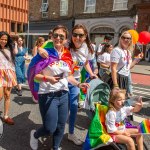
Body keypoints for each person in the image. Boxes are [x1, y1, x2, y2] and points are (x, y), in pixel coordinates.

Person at [29, 25, 89, 150]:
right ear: (51, 37)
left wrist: (78, 84)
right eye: (55, 35)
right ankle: (34, 135)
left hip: (63, 94)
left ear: (66, 39)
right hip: (47, 94)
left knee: (61, 125)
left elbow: (69, 76)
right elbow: (35, 75)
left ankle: (56, 147)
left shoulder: (68, 55)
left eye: (61, 36)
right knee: (49, 127)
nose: (58, 38)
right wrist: (47, 79)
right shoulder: (45, 53)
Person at [68, 24, 97, 145]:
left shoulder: (87, 48)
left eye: (81, 35)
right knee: (62, 110)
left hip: (75, 82)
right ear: (71, 35)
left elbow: (85, 62)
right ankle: (55, 131)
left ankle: (70, 134)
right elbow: (50, 44)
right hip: (62, 82)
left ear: (85, 37)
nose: (77, 37)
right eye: (75, 34)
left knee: (74, 108)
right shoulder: (66, 45)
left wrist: (91, 74)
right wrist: (40, 49)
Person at [0, 31, 18, 125]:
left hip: (8, 73)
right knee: (0, 96)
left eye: (5, 39)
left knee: (7, 95)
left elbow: (11, 64)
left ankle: (6, 116)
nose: (4, 41)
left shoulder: (9, 49)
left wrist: (14, 75)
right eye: (2, 39)